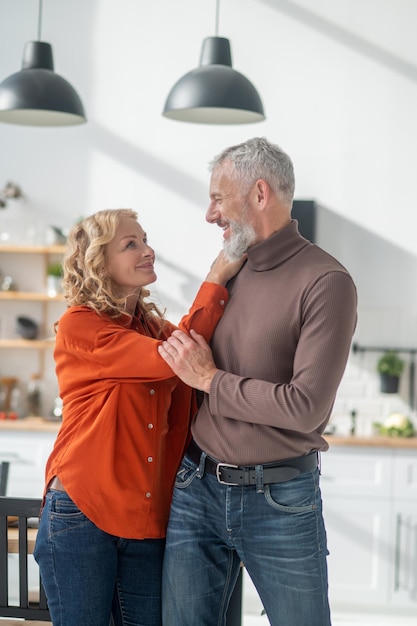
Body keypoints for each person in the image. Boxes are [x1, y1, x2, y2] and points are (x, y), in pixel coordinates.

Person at [158, 138, 358, 626]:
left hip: (280, 499)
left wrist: (211, 380)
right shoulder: (230, 268)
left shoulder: (326, 282)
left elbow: (305, 407)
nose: (210, 214)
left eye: (218, 198)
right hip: (196, 486)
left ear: (260, 193)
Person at [33, 208, 244, 626]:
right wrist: (217, 276)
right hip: (81, 513)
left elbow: (188, 352)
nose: (149, 251)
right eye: (131, 244)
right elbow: (172, 361)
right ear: (99, 262)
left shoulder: (155, 328)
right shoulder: (81, 326)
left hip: (147, 520)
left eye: (145, 240)